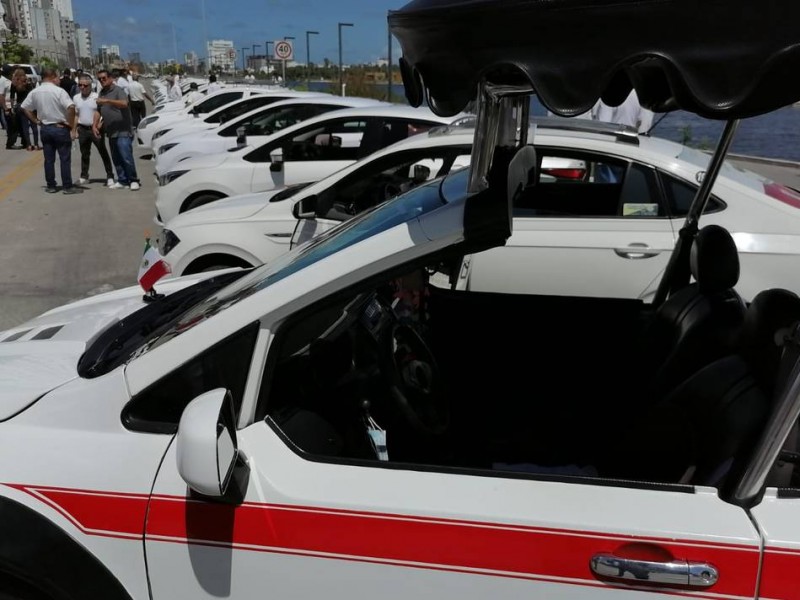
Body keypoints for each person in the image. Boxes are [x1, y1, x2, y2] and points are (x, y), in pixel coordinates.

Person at [20, 67, 78, 194]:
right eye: (57, 77)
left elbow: (25, 107)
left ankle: (51, 185)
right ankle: (67, 186)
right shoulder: (59, 91)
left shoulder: (35, 92)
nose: (59, 80)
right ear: (52, 76)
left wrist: (35, 120)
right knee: (64, 158)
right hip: (60, 127)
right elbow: (71, 107)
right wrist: (70, 123)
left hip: (45, 128)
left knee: (49, 159)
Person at [94, 69, 140, 191]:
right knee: (116, 157)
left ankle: (133, 180)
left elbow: (124, 103)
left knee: (126, 156)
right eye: (99, 79)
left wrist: (107, 101)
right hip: (111, 131)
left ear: (110, 78)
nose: (102, 81)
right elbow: (98, 110)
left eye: (104, 78)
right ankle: (122, 179)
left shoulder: (118, 90)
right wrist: (95, 124)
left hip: (123, 130)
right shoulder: (102, 93)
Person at [72, 73, 115, 187]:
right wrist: (74, 130)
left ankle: (110, 176)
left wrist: (100, 123)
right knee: (84, 154)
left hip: (95, 129)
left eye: (85, 85)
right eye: (80, 85)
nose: (82, 88)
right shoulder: (76, 98)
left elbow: (104, 112)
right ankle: (84, 176)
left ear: (90, 86)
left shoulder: (97, 97)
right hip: (83, 129)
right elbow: (76, 115)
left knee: (103, 152)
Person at [11, 68, 40, 151]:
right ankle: (36, 144)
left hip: (21, 106)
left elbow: (12, 97)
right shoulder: (28, 83)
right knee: (34, 125)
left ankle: (29, 145)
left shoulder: (14, 84)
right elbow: (32, 94)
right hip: (30, 106)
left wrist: (13, 107)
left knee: (25, 127)